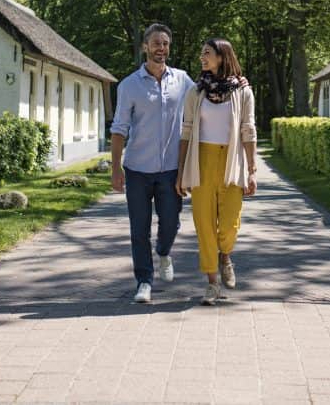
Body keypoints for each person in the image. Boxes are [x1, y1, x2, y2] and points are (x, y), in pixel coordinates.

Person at [110, 23, 195, 303]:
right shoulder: (129, 86)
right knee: (139, 229)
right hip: (137, 170)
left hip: (171, 169)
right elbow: (119, 128)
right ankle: (144, 282)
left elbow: (207, 97)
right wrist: (116, 168)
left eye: (166, 44)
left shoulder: (183, 81)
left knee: (171, 223)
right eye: (156, 43)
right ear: (145, 47)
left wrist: (236, 82)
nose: (161, 48)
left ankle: (163, 252)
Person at [176, 38, 257, 306]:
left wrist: (252, 170)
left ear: (222, 57)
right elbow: (186, 131)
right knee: (204, 225)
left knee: (229, 225)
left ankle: (225, 256)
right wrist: (180, 172)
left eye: (207, 53)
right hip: (202, 162)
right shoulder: (195, 92)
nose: (202, 57)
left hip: (231, 160)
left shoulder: (243, 92)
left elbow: (248, 130)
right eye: (201, 53)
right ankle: (212, 284)